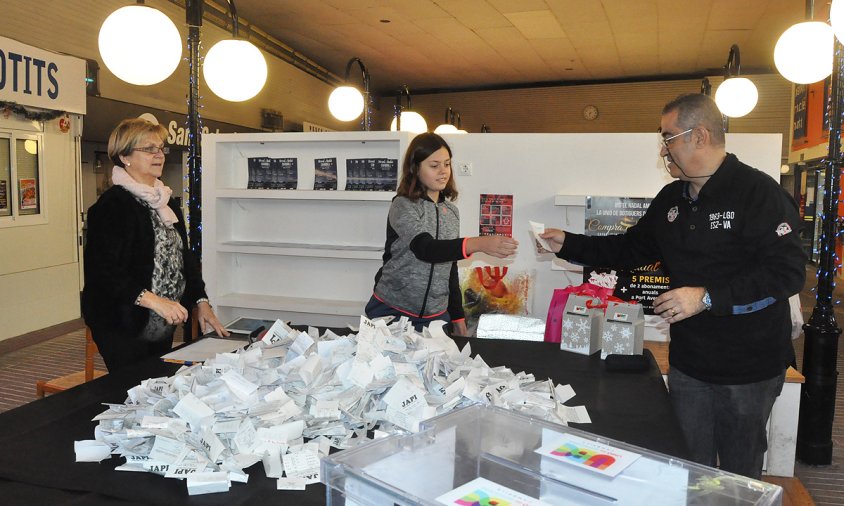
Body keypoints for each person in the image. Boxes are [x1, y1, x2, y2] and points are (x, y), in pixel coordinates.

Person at [539, 93, 806, 479]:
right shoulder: (671, 200)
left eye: (668, 137)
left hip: (750, 367)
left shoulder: (759, 193)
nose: (663, 148)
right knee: (686, 467)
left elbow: (788, 273)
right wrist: (568, 243)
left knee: (739, 473)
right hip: (690, 364)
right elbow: (628, 249)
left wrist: (706, 296)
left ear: (698, 136)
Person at [82, 118, 229, 372]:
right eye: (149, 149)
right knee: (133, 386)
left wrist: (201, 302)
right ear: (124, 156)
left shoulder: (167, 202)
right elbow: (103, 271)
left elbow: (185, 260)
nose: (159, 155)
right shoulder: (112, 206)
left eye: (161, 148)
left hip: (163, 318)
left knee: (157, 383)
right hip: (121, 319)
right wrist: (154, 301)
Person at [366, 132, 518, 336]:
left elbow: (450, 267)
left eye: (447, 164)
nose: (443, 172)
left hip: (435, 319)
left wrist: (457, 317)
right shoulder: (402, 206)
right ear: (415, 168)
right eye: (434, 165)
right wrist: (478, 243)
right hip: (392, 311)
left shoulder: (452, 212)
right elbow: (426, 249)